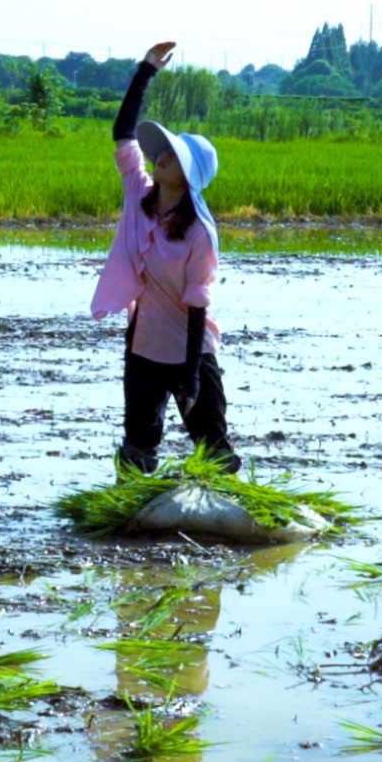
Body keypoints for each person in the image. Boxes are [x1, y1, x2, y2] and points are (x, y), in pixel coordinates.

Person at [91, 41, 240, 476]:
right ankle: (131, 517)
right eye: (163, 150)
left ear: (189, 176)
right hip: (144, 346)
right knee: (137, 448)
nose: (160, 156)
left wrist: (191, 377)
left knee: (213, 447)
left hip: (190, 351)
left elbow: (198, 307)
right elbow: (122, 132)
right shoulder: (139, 193)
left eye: (172, 156)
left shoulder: (198, 233)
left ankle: (226, 520)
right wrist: (147, 68)